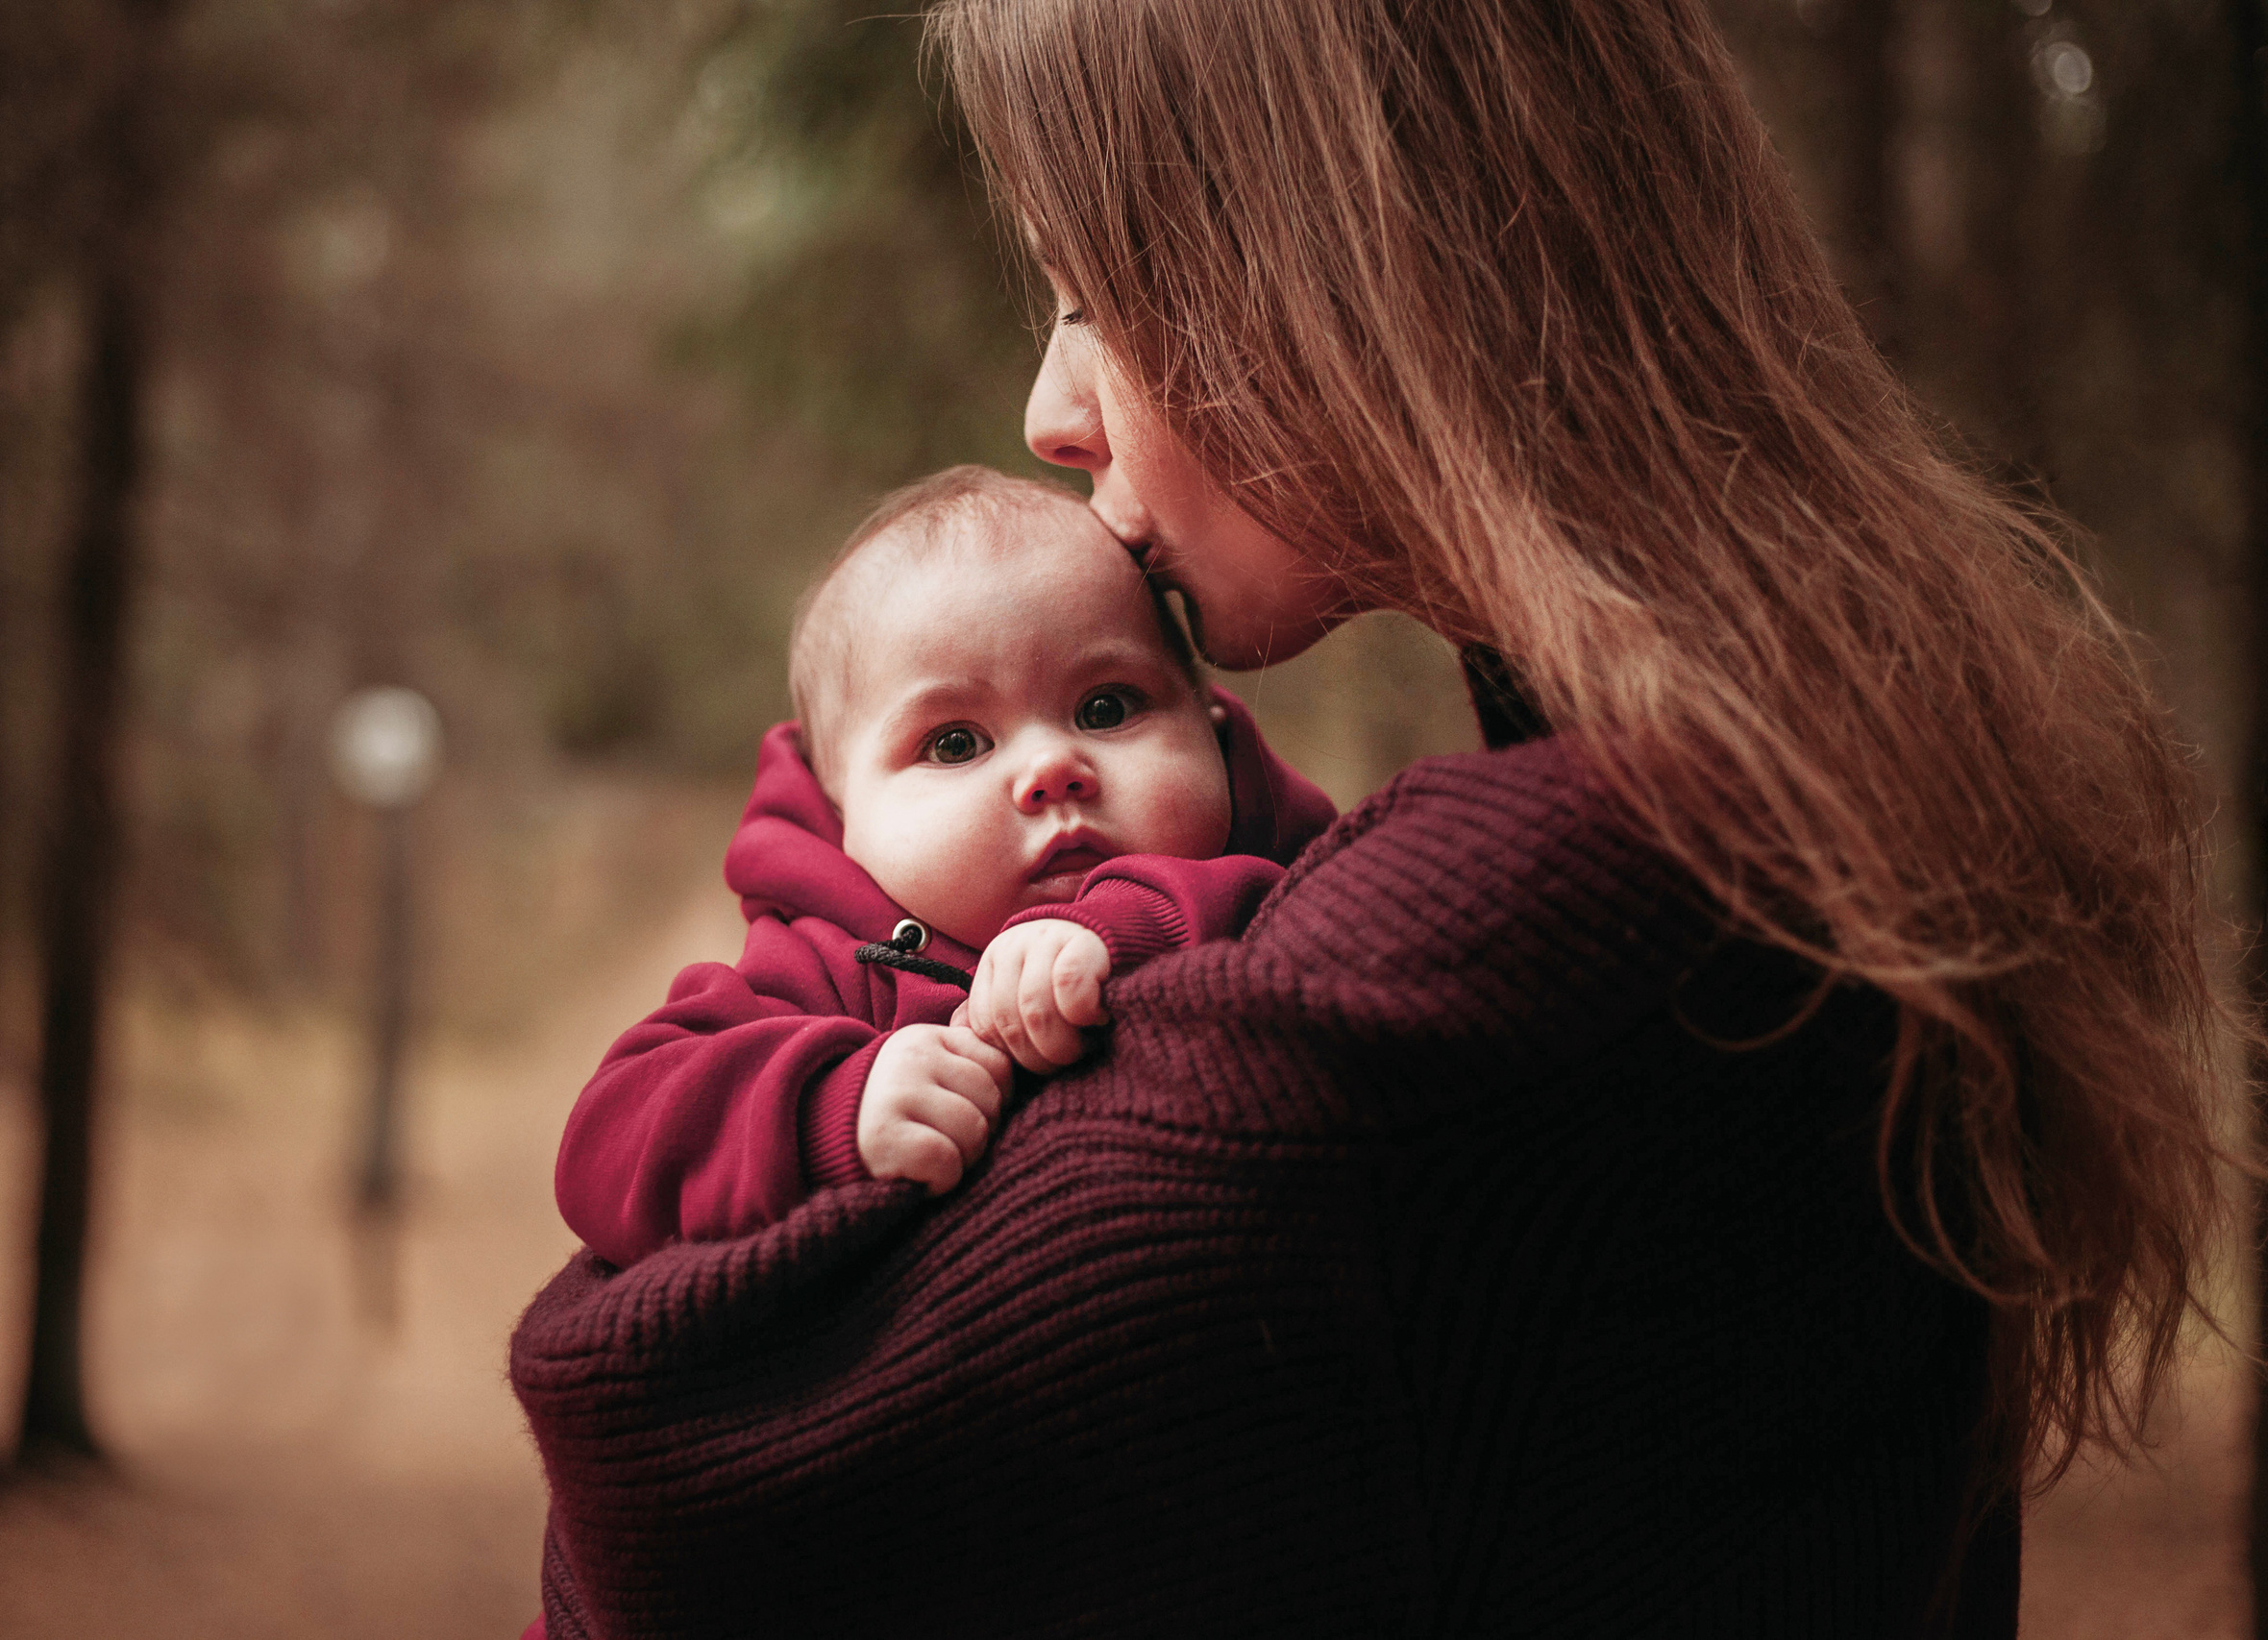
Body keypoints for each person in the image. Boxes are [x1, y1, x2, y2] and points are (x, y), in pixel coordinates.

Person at [510, 3, 2236, 1635]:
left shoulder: (1505, 959)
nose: (1051, 410)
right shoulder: (1831, 785)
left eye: (1094, 293)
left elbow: (639, 1444)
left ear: (1328, 264)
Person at [552, 464, 1334, 1270]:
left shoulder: (1296, 876)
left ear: (1210, 722)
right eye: (955, 742)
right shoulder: (821, 972)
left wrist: (1126, 925)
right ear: (839, 808)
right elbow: (606, 1141)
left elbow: (1313, 923)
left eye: (1108, 706)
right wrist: (830, 1109)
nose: (1051, 767)